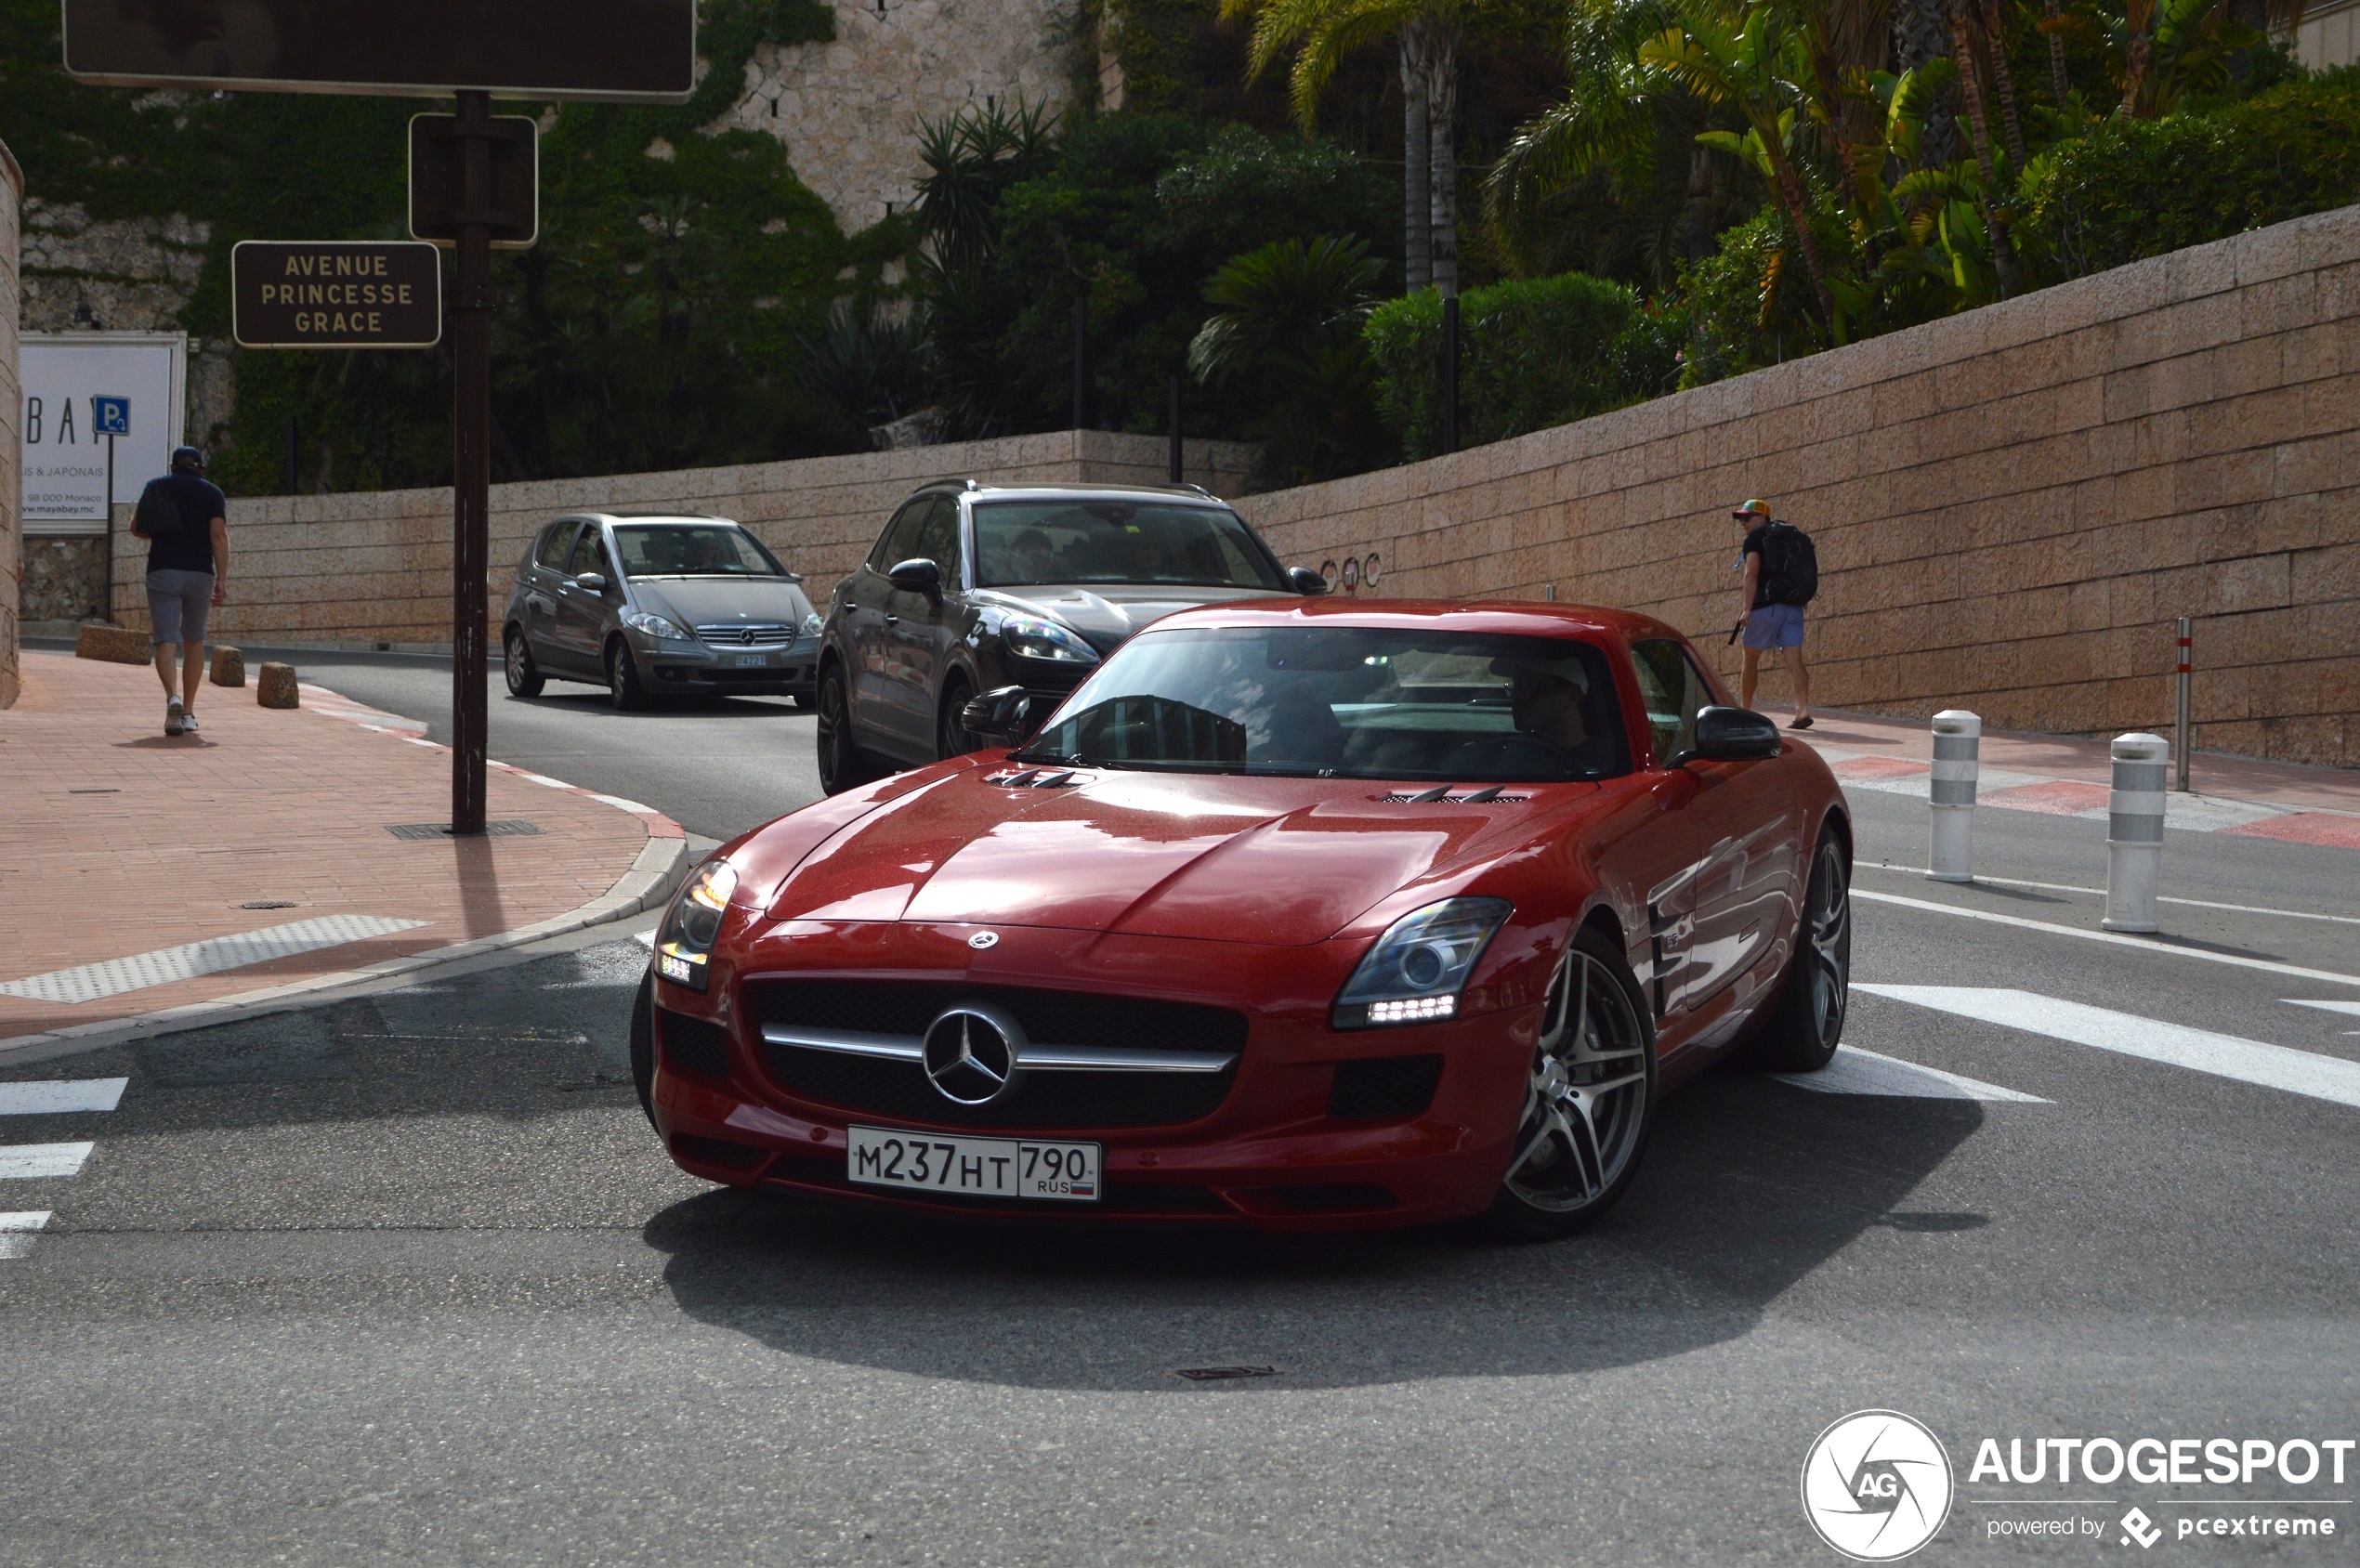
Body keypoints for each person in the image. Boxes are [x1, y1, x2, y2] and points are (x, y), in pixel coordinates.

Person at [134, 445, 229, 737]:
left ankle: (171, 699)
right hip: (200, 573)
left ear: (173, 467)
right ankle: (187, 712)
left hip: (163, 570)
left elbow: (137, 528)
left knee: (165, 639)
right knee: (194, 640)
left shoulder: (156, 487)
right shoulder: (213, 493)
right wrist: (222, 579)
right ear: (200, 468)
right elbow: (217, 534)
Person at [1733, 497, 1812, 730]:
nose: (1743, 523)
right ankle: (1803, 709)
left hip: (1766, 607)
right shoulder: (1789, 538)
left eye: (1747, 517)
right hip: (1793, 606)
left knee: (1751, 657)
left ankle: (1745, 712)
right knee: (1794, 660)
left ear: (1761, 517)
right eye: (1741, 518)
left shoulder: (1755, 540)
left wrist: (1747, 609)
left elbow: (1751, 574)